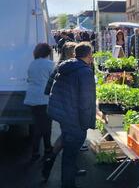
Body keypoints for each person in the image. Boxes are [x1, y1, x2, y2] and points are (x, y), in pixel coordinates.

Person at [48, 42, 96, 188]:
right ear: (88, 55)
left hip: (65, 115)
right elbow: (86, 102)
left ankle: (61, 177)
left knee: (69, 153)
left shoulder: (65, 67)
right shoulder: (85, 72)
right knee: (70, 155)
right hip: (74, 118)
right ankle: (68, 184)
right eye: (92, 54)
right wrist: (86, 123)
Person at [42, 42, 77, 181]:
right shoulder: (72, 68)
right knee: (69, 139)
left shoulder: (59, 67)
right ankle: (57, 164)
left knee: (65, 137)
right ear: (71, 53)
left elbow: (47, 88)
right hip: (70, 109)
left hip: (60, 109)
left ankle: (50, 161)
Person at [24, 43, 54, 162]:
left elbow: (29, 78)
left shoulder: (32, 64)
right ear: (48, 52)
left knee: (37, 125)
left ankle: (37, 151)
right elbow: (53, 80)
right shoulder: (50, 64)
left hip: (32, 98)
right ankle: (46, 149)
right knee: (46, 126)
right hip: (44, 98)